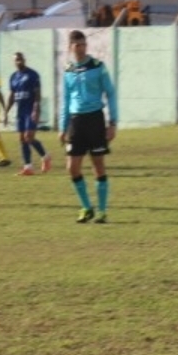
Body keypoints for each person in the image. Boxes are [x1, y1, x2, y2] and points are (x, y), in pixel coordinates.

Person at [59, 30, 117, 224]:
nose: (81, 49)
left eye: (84, 45)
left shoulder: (98, 66)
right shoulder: (68, 70)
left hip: (95, 120)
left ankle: (101, 211)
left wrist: (113, 122)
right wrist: (62, 126)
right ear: (70, 47)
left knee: (98, 166)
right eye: (77, 45)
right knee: (72, 168)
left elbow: (110, 93)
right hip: (76, 122)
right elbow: (65, 100)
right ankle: (86, 207)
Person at [5, 52, 52, 176]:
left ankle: (45, 157)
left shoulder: (32, 75)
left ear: (24, 60)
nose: (19, 61)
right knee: (22, 139)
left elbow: (37, 94)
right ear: (14, 62)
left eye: (20, 59)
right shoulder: (13, 77)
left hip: (30, 110)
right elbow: (12, 95)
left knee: (28, 137)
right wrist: (6, 111)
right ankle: (28, 167)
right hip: (20, 111)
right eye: (16, 60)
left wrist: (36, 109)